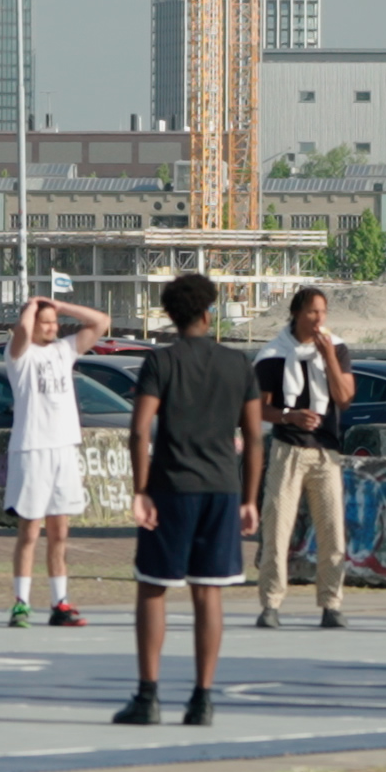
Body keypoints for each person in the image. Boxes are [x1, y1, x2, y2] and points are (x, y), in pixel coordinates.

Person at [119, 271, 260, 727]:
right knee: (209, 595)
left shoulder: (161, 362)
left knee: (153, 589)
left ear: (169, 316)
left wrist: (140, 489)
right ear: (208, 311)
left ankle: (148, 695)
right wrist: (250, 497)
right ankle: (202, 698)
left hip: (171, 487)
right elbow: (254, 437)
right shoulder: (238, 364)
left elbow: (140, 429)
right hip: (221, 488)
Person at [2, 294, 110, 628]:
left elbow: (101, 322)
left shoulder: (64, 351)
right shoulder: (19, 355)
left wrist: (61, 306)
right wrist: (32, 307)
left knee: (59, 531)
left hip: (64, 447)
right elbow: (21, 330)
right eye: (44, 322)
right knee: (29, 531)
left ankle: (59, 601)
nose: (51, 327)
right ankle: (21, 602)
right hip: (32, 449)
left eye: (54, 323)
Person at [254, 287, 356, 632]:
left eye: (323, 312)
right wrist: (290, 415)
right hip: (288, 449)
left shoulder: (337, 348)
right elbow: (259, 408)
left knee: (332, 532)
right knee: (277, 528)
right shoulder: (272, 354)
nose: (319, 319)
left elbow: (344, 399)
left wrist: (327, 357)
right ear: (297, 313)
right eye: (312, 312)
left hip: (325, 451)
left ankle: (331, 604)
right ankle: (270, 603)